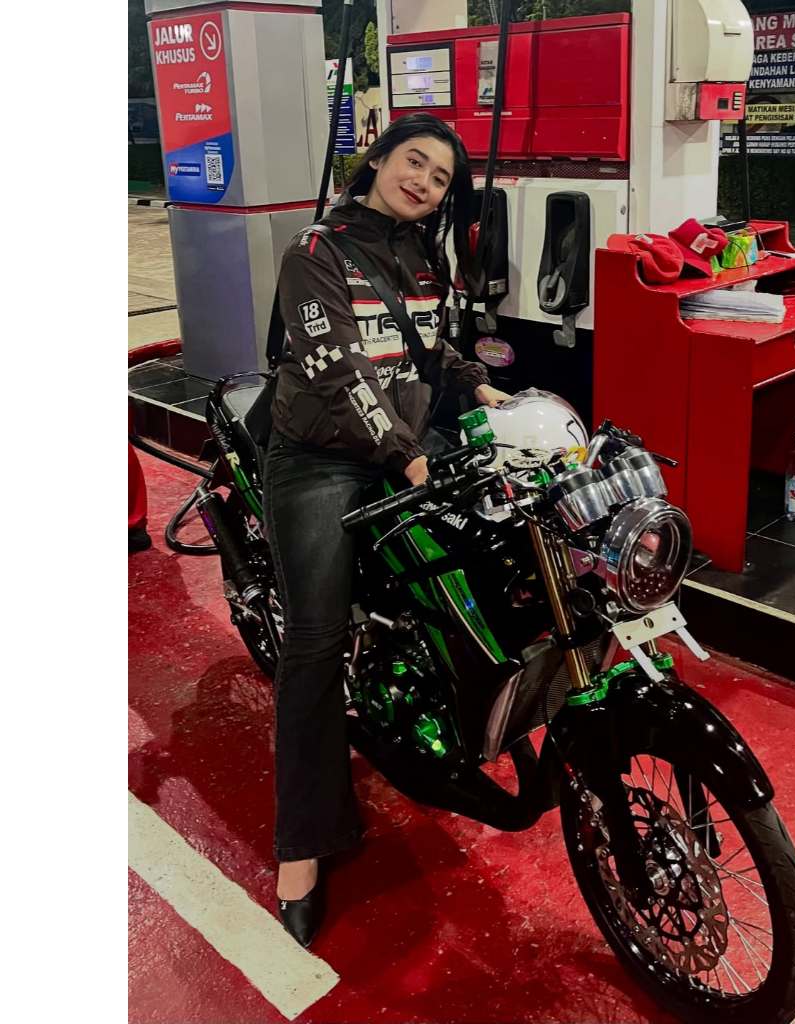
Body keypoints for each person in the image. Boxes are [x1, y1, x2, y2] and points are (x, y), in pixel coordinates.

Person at [264, 113, 510, 947]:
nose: (424, 183)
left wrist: (478, 387)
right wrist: (407, 457)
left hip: (406, 441)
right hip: (323, 458)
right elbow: (340, 372)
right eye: (415, 162)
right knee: (314, 640)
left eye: (440, 179)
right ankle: (302, 843)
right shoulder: (315, 252)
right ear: (376, 159)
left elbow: (426, 351)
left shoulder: (423, 257)